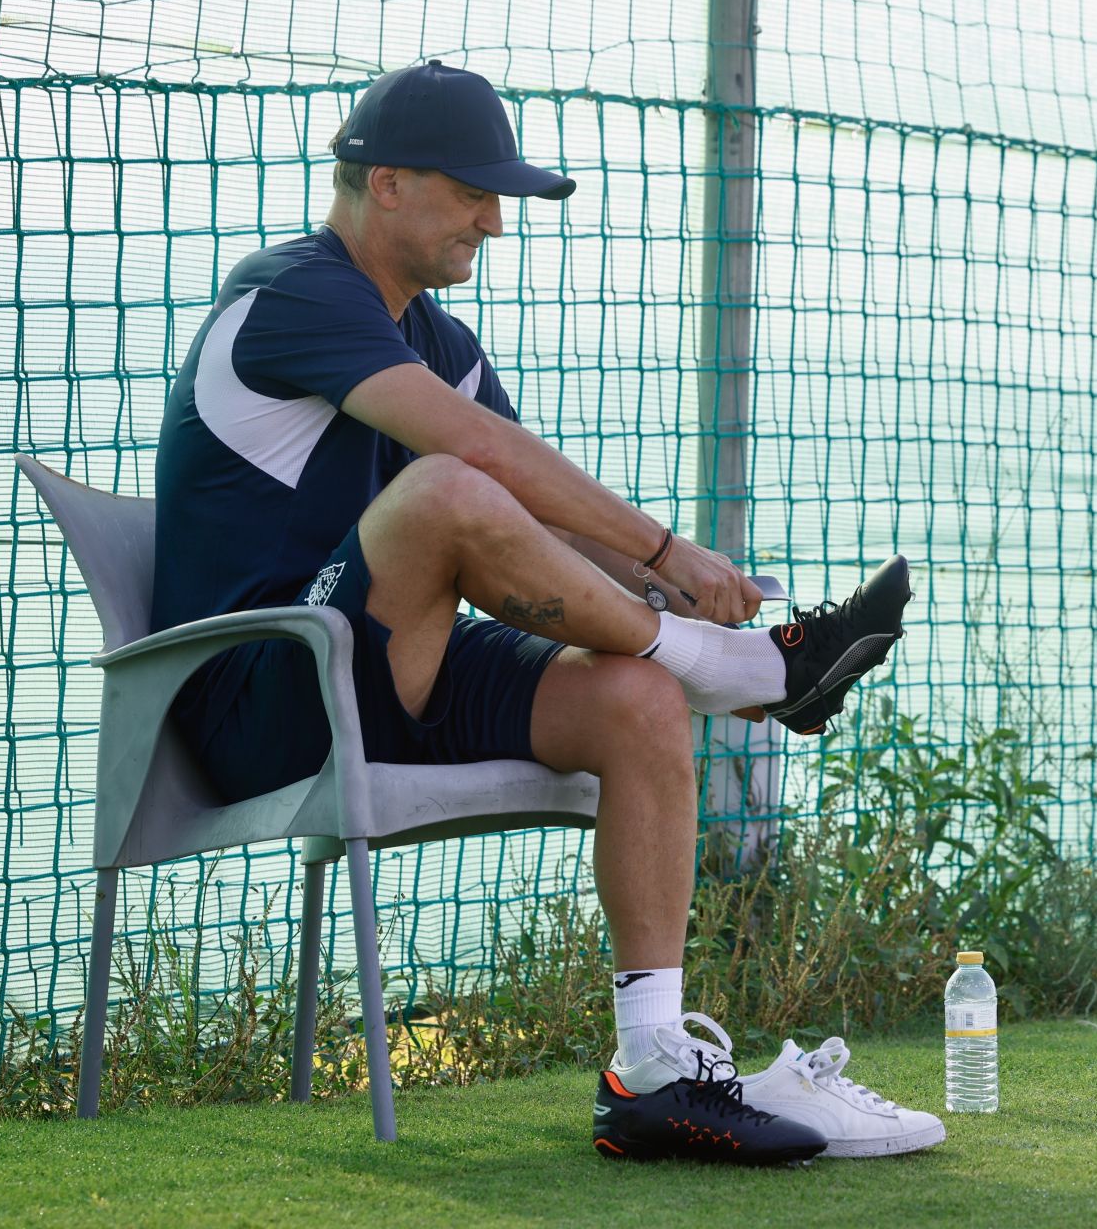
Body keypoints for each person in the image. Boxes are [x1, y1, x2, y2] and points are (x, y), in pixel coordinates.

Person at [151, 61, 943, 1164]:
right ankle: (749, 673)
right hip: (260, 694)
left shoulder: (437, 338)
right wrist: (665, 551)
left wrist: (668, 584)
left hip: (388, 667)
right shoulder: (292, 292)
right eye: (475, 191)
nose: (494, 220)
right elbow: (475, 467)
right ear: (384, 182)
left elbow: (532, 519)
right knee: (438, 490)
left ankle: (655, 1070)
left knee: (634, 694)